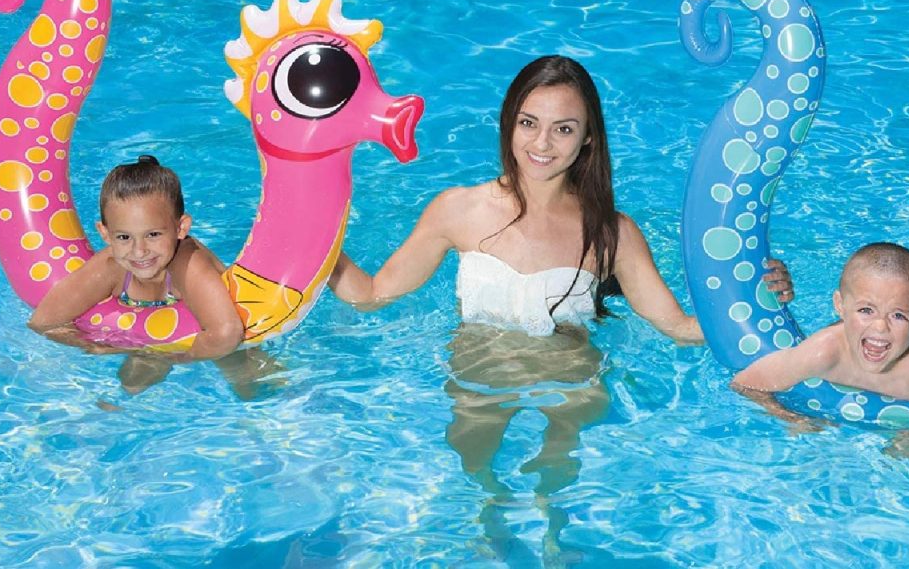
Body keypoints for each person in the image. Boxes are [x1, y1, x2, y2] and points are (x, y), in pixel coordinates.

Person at [329, 54, 793, 557]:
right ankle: (493, 510)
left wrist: (755, 298)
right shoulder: (458, 211)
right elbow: (373, 295)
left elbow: (678, 326)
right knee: (475, 461)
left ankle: (555, 528)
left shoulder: (613, 233)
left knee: (556, 479)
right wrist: (313, 242)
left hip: (569, 376)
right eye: (529, 123)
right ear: (509, 122)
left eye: (563, 129)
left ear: (587, 138)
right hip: (480, 375)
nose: (542, 144)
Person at [731, 242, 909, 453]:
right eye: (866, 310)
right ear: (839, 306)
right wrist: (791, 418)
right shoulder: (823, 352)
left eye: (898, 315)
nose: (880, 327)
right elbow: (746, 384)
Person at [31, 155, 245, 392]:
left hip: (215, 347)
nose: (139, 251)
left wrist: (177, 356)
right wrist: (96, 345)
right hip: (142, 344)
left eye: (153, 234)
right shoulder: (111, 266)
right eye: (123, 237)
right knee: (130, 384)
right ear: (105, 233)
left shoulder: (188, 264)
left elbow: (226, 333)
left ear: (181, 227)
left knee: (248, 378)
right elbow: (43, 322)